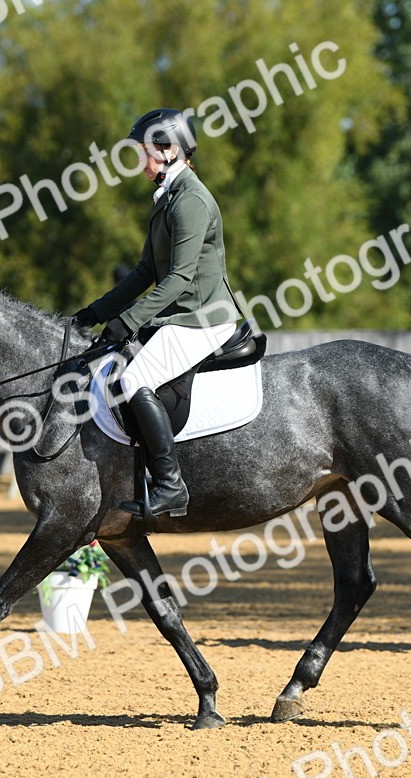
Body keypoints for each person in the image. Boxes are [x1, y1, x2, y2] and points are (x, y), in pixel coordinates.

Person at [73, 108, 240, 519]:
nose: (137, 162)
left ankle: (171, 485)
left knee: (133, 378)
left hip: (203, 317)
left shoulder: (191, 201)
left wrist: (126, 322)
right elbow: (147, 271)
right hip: (181, 316)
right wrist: (94, 312)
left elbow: (180, 278)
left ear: (167, 150)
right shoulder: (169, 198)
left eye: (142, 152)